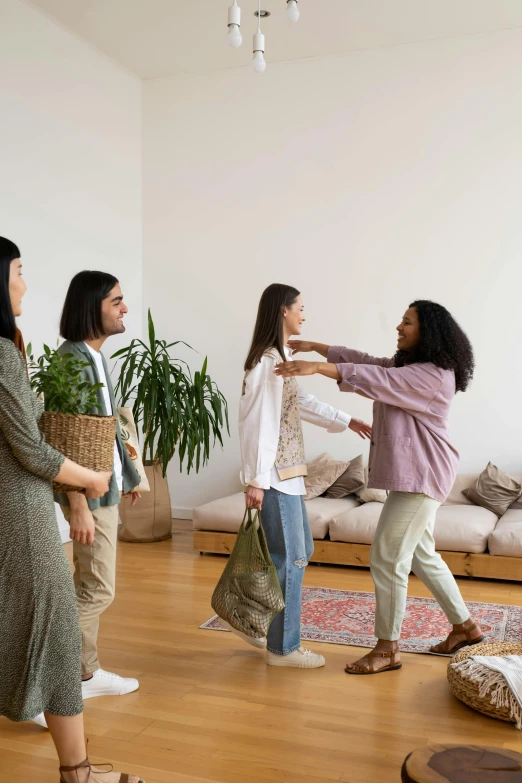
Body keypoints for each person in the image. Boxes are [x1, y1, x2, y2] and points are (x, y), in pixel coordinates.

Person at [274, 300, 484, 674]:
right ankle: (466, 628)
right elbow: (370, 363)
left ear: (429, 332)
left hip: (422, 477)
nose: (399, 327)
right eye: (401, 321)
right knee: (422, 555)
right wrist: (317, 347)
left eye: (408, 322)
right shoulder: (414, 366)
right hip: (419, 475)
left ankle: (388, 649)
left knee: (386, 558)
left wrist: (320, 367)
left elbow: (380, 380)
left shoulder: (432, 375)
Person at [0, 237, 144, 782]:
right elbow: (40, 443)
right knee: (63, 619)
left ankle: (76, 759)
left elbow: (98, 430)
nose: (25, 283)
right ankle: (75, 747)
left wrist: (123, 473)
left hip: (37, 498)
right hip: (26, 507)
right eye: (17, 271)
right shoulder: (21, 356)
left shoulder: (67, 358)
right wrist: (83, 489)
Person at [237, 284, 372, 669]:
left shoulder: (277, 358)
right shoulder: (266, 362)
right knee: (291, 557)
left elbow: (302, 404)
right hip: (274, 477)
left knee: (300, 553)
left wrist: (347, 420)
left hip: (289, 474)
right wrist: (256, 480)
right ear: (283, 311)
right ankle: (283, 648)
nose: (304, 315)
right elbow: (258, 424)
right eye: (300, 308)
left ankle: (254, 617)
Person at [52, 272, 142, 702]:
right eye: (116, 301)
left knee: (87, 585)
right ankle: (64, 678)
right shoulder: (72, 361)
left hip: (102, 490)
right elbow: (62, 436)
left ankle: (85, 671)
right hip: (88, 496)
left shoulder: (94, 359)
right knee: (97, 588)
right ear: (93, 306)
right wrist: (78, 505)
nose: (125, 308)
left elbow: (99, 430)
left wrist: (128, 475)